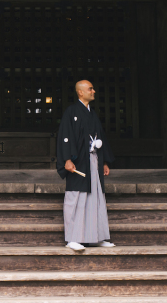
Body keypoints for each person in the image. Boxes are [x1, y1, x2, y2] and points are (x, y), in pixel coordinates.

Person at [56, 80, 115, 250]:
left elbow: (100, 137)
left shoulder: (92, 114)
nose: (93, 91)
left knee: (95, 197)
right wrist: (67, 159)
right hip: (78, 162)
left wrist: (104, 161)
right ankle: (73, 238)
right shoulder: (71, 112)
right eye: (90, 89)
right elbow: (65, 136)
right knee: (76, 198)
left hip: (93, 161)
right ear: (80, 92)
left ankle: (97, 237)